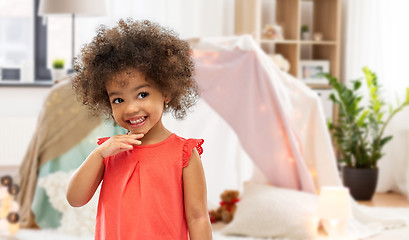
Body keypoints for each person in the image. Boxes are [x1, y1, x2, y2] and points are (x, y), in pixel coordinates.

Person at [66, 19, 212, 240]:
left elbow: (198, 216)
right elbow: (75, 199)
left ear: (166, 92)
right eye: (118, 100)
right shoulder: (109, 152)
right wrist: (98, 154)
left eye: (142, 94)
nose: (131, 108)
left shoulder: (184, 153)